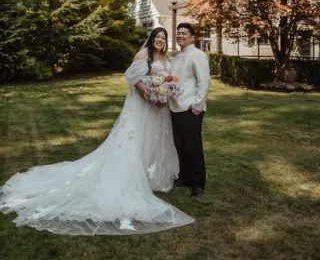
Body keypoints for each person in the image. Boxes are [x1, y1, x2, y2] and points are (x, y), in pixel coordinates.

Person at [0, 27, 194, 235]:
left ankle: (150, 176)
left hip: (159, 111)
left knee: (155, 141)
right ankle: (131, 178)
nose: (160, 40)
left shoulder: (167, 58)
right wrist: (150, 96)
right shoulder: (142, 55)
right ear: (151, 38)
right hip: (143, 107)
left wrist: (164, 92)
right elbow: (134, 79)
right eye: (157, 37)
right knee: (136, 140)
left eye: (163, 38)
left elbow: (167, 80)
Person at [169, 23, 211, 198]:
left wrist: (197, 106)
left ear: (192, 37)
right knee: (180, 145)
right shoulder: (177, 56)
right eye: (178, 33)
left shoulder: (198, 55)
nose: (180, 36)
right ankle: (184, 177)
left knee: (193, 146)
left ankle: (198, 182)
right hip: (174, 107)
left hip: (190, 108)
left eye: (184, 33)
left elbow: (204, 81)